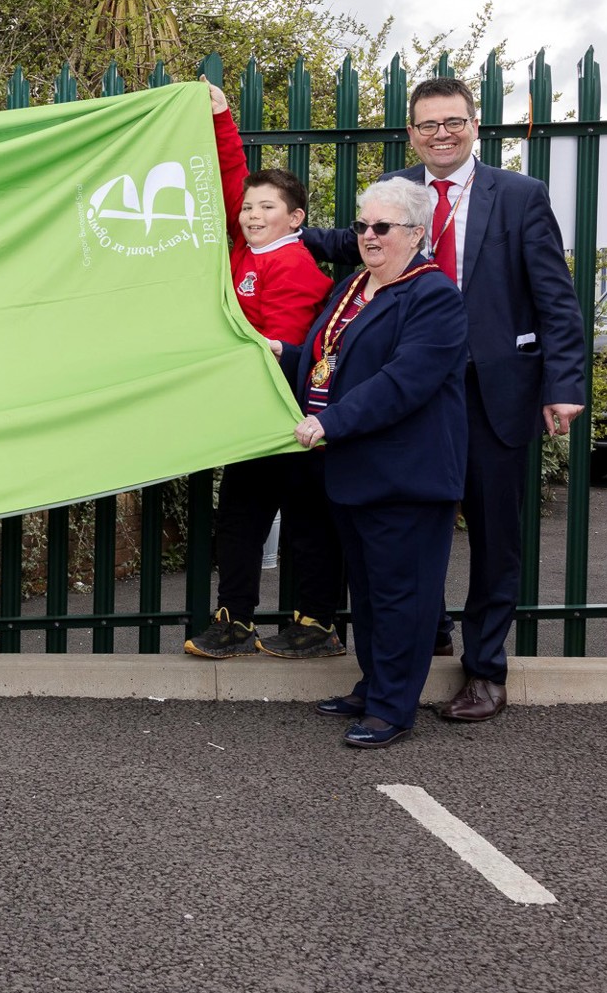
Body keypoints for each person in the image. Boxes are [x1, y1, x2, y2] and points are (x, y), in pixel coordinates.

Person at [302, 78, 585, 723]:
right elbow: (351, 243)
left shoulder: (519, 195)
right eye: (427, 125)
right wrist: (274, 235)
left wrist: (564, 384)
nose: (441, 135)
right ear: (411, 133)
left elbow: (554, 294)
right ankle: (417, 647)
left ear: (475, 125)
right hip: (414, 399)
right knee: (404, 530)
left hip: (493, 393)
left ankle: (484, 670)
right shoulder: (396, 191)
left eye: (453, 122)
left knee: (493, 536)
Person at [292, 177, 468, 747]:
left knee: (402, 597)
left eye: (382, 227)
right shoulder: (354, 286)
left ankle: (393, 707)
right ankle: (373, 687)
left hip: (405, 475)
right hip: (353, 469)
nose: (368, 236)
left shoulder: (433, 295)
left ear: (415, 234)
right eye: (362, 226)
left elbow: (403, 381)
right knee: (369, 593)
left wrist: (332, 421)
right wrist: (282, 353)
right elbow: (329, 362)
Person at [185, 83, 344, 660]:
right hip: (250, 415)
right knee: (239, 521)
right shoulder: (243, 250)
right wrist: (221, 117)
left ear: (295, 218)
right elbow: (234, 181)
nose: (252, 214)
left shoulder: (294, 264)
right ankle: (235, 621)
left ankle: (317, 623)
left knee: (306, 522)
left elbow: (290, 349)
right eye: (249, 209)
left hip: (290, 419)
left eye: (267, 208)